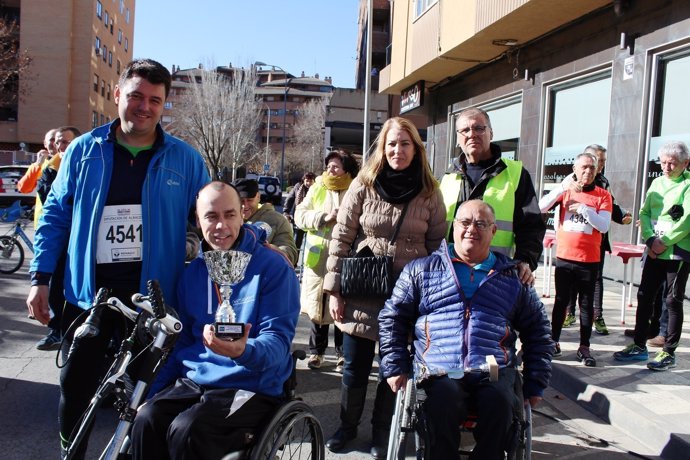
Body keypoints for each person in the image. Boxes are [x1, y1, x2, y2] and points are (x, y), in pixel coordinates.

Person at [25, 58, 210, 459]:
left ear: (164, 106)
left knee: (143, 398)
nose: (144, 107)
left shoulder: (186, 160)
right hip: (90, 295)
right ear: (117, 95)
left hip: (153, 299)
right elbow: (55, 216)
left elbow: (213, 218)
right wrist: (39, 279)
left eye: (155, 101)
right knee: (76, 390)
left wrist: (255, 243)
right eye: (136, 96)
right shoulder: (82, 151)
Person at [131, 181, 300, 459]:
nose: (221, 225)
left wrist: (243, 351)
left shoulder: (273, 266)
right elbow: (184, 341)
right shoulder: (194, 272)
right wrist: (152, 392)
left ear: (242, 214)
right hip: (197, 380)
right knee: (146, 420)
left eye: (229, 214)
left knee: (187, 430)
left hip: (251, 385)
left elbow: (278, 341)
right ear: (198, 220)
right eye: (211, 216)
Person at [379, 200, 553, 459]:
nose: (472, 229)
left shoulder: (513, 277)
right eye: (465, 222)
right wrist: (395, 366)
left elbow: (539, 331)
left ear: (493, 231)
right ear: (454, 227)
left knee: (501, 404)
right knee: (442, 402)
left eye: (481, 224)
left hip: (492, 368)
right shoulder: (421, 270)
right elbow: (392, 318)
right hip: (438, 368)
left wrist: (536, 382)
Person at [323, 116, 447, 458]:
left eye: (405, 143)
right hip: (362, 287)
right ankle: (347, 427)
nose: (398, 150)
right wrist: (334, 289)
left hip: (408, 294)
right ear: (382, 147)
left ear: (416, 149)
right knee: (354, 367)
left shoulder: (430, 192)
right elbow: (342, 236)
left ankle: (382, 432)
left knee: (395, 368)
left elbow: (438, 247)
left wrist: (434, 299)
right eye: (391, 143)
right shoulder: (363, 183)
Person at [440, 107, 545, 285]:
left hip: (496, 274)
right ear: (458, 139)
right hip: (451, 273)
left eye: (479, 128)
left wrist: (525, 260)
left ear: (491, 133)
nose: (472, 134)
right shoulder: (447, 177)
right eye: (465, 130)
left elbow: (531, 225)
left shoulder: (515, 173)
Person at [614, 141, 690, 371]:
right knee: (644, 295)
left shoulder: (687, 185)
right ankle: (639, 344)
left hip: (676, 253)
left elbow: (687, 219)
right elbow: (644, 212)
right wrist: (649, 239)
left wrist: (663, 243)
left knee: (672, 300)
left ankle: (668, 352)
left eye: (672, 164)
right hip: (654, 250)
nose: (666, 167)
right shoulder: (657, 182)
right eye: (663, 162)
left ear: (685, 164)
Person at [539, 152, 612, 367]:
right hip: (565, 257)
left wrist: (584, 209)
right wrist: (562, 187)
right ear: (575, 169)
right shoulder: (566, 191)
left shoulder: (603, 195)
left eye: (592, 167)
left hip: (589, 260)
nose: (587, 171)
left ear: (597, 170)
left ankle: (584, 346)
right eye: (583, 167)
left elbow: (604, 226)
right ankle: (554, 342)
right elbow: (541, 207)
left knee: (586, 304)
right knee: (561, 302)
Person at [295, 151, 358, 372]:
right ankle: (317, 353)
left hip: (345, 256)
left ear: (346, 170)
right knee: (318, 306)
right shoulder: (318, 186)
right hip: (318, 257)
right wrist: (324, 218)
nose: (330, 170)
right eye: (329, 166)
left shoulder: (355, 187)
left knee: (343, 304)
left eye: (336, 167)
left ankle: (342, 354)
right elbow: (299, 215)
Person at [562, 144, 633, 334]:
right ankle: (569, 312)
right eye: (598, 160)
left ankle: (597, 316)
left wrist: (623, 216)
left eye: (602, 162)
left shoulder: (603, 181)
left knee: (596, 279)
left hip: (596, 240)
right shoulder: (570, 181)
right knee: (571, 279)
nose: (600, 165)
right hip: (572, 241)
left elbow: (611, 204)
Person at [32, 126, 81, 352]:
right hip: (54, 238)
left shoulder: (86, 166)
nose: (62, 147)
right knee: (55, 286)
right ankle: (57, 331)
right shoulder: (49, 169)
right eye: (59, 142)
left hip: (79, 240)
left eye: (67, 142)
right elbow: (47, 202)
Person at [232, 177, 298, 265]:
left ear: (258, 197)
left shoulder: (277, 220)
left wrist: (277, 253)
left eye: (249, 200)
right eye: (241, 201)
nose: (245, 205)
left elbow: (289, 250)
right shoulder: (224, 221)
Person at [17, 128, 57, 228]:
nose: (55, 143)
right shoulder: (39, 165)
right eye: (51, 139)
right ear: (45, 143)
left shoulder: (70, 162)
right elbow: (24, 188)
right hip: (43, 221)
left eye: (58, 140)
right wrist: (38, 164)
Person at [284, 171, 316, 250]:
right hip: (299, 218)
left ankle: (306, 261)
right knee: (297, 241)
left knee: (310, 243)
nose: (308, 183)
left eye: (310, 181)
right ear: (303, 180)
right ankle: (294, 260)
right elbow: (290, 199)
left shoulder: (316, 189)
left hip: (311, 219)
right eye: (307, 180)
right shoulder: (298, 187)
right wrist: (286, 212)